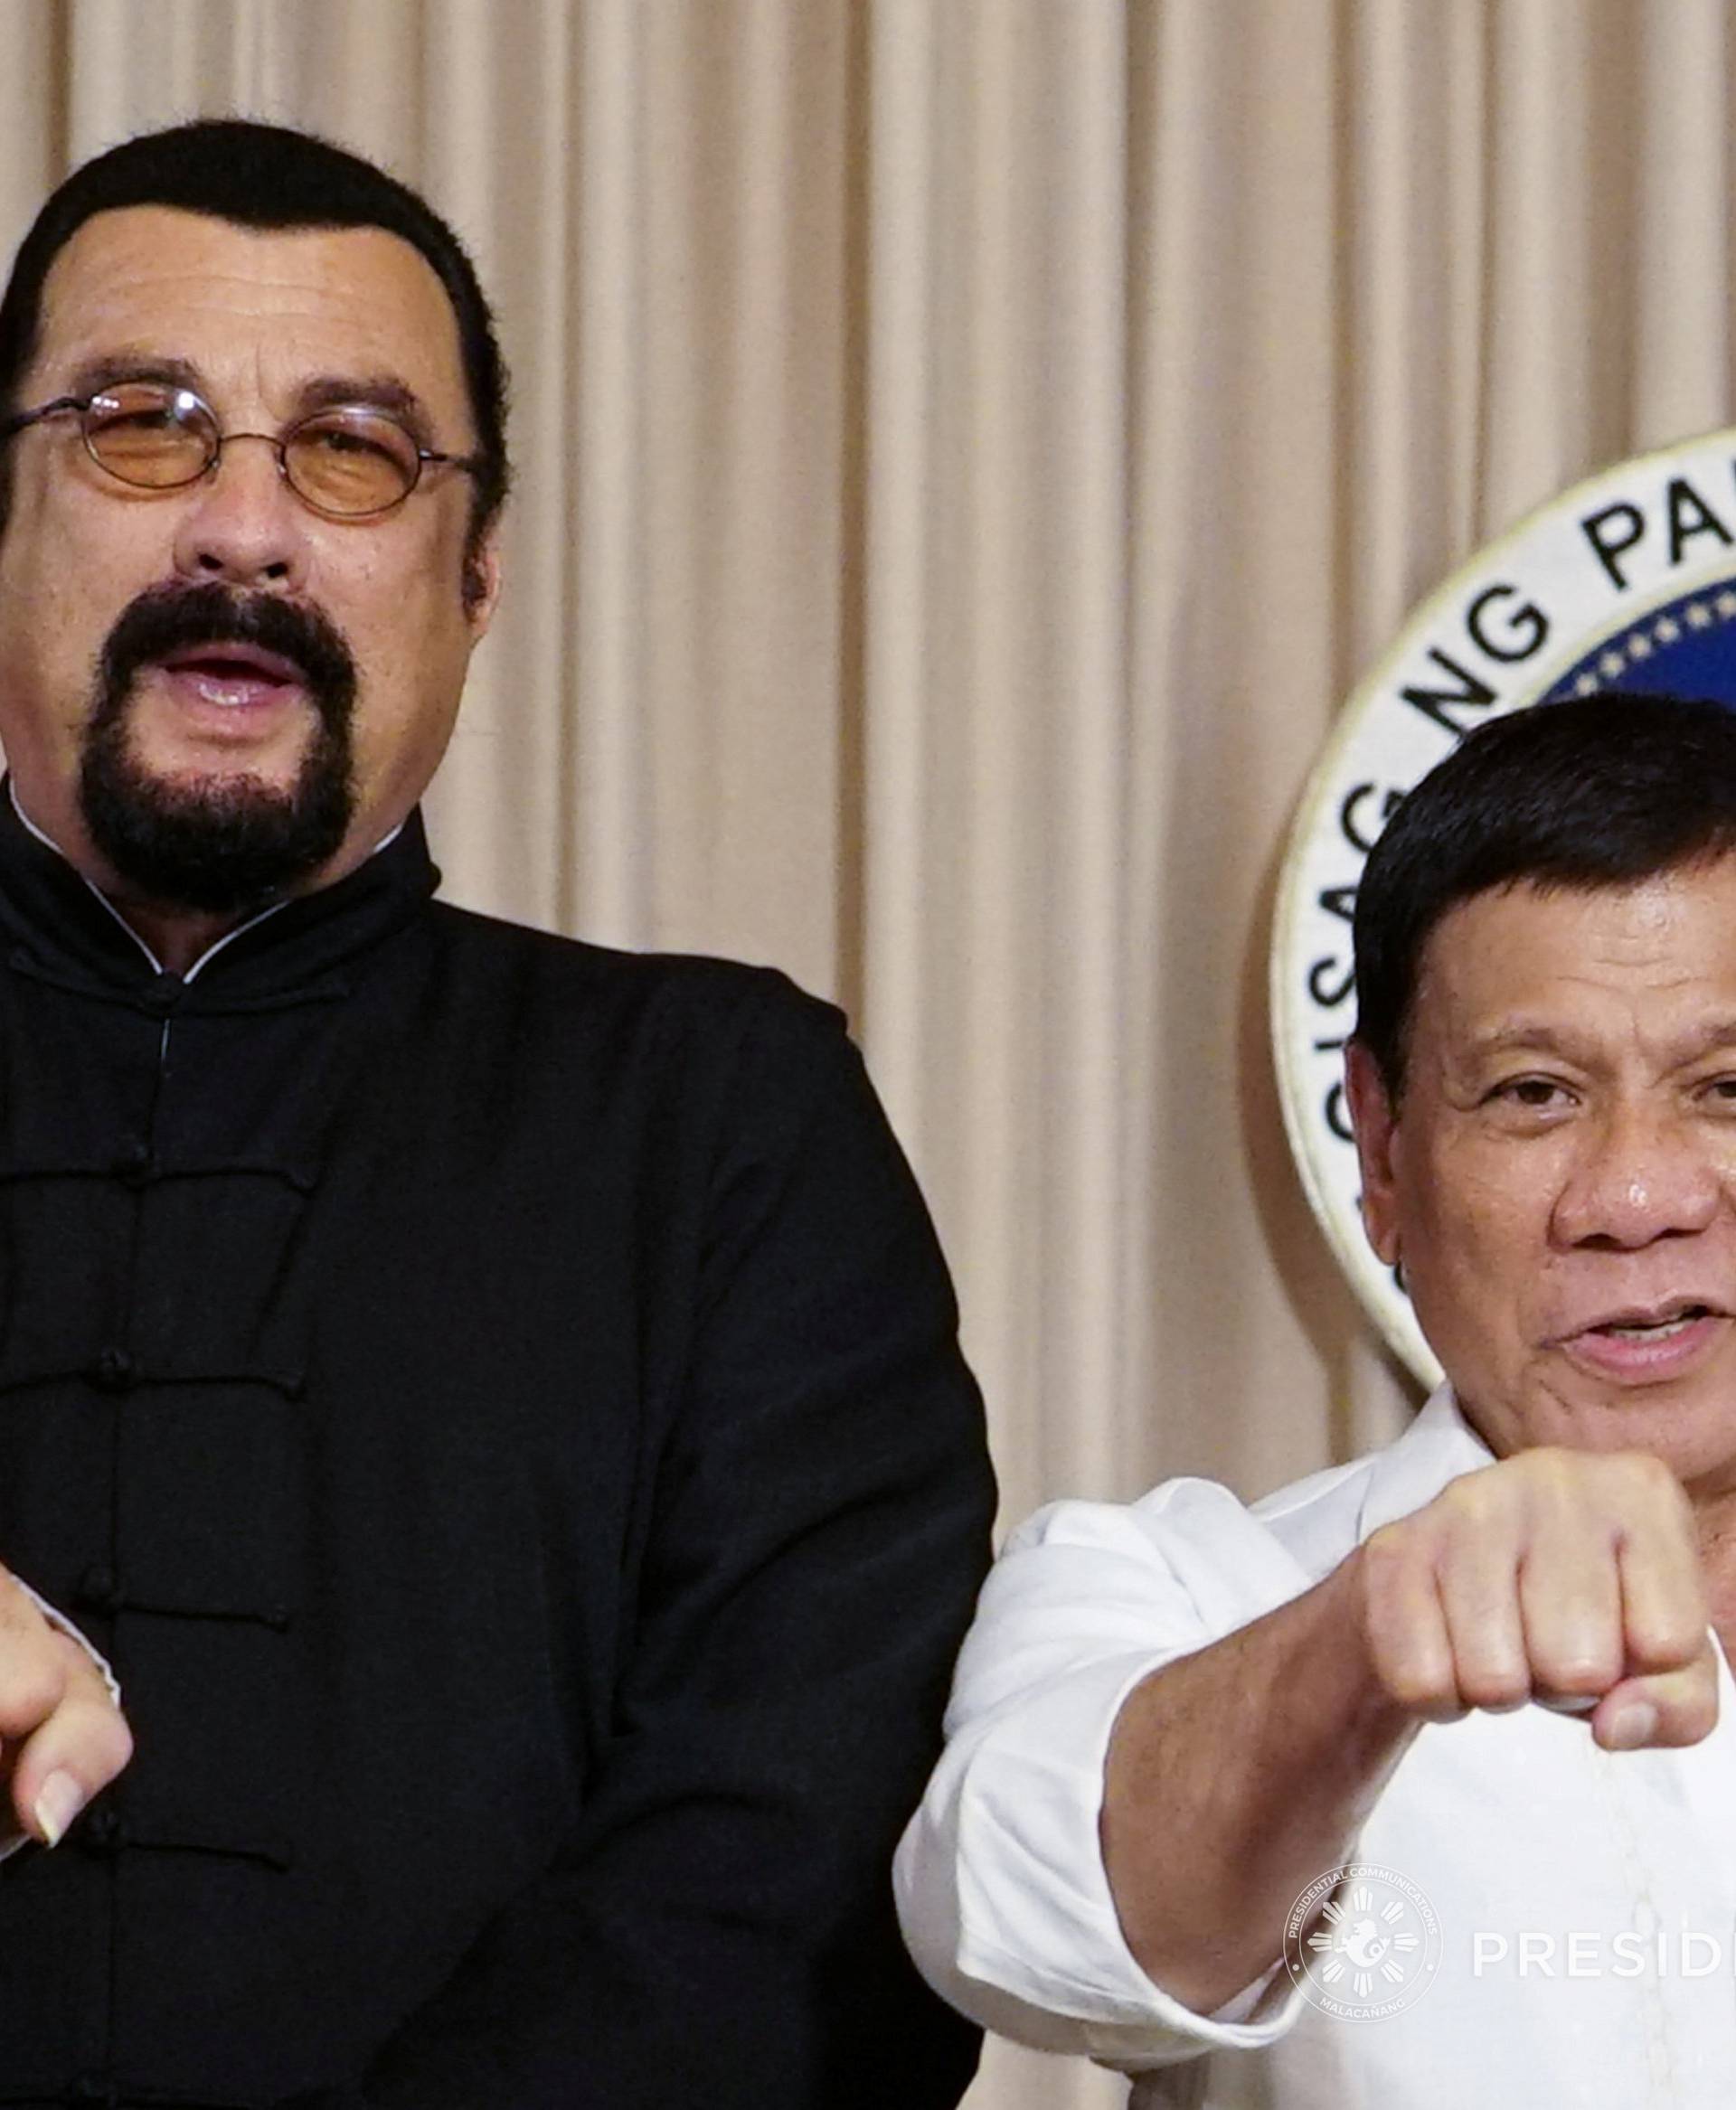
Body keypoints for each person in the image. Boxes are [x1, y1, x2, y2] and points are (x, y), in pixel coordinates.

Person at [0, 117, 995, 2109]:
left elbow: (801, 1869)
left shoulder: (722, 1122)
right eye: (143, 425)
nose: (244, 533)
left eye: (356, 449)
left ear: (476, 580)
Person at [897, 691, 1736, 2109]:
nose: (1638, 1198)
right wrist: (1373, 1639)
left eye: (1728, 1086)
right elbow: (1014, 1920)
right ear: (1386, 1153)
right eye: (1534, 1093)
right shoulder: (1170, 1586)